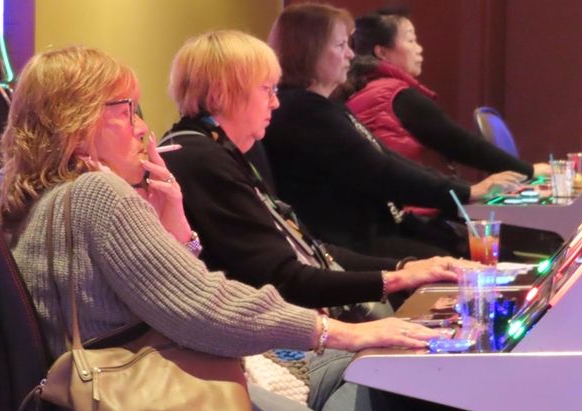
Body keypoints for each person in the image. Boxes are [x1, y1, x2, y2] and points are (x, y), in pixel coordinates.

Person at [0, 45, 447, 411]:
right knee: (365, 362)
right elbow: (205, 310)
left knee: (363, 370)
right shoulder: (97, 194)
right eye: (127, 109)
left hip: (133, 378)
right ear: (77, 124)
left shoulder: (44, 200)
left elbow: (163, 295)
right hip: (149, 392)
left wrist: (173, 217)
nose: (141, 127)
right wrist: (339, 332)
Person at [161, 30, 467, 319]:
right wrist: (395, 279)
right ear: (220, 95)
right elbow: (284, 279)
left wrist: (406, 267)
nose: (276, 102)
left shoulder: (217, 148)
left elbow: (309, 250)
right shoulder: (201, 160)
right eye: (266, 89)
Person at [263, 2, 524, 260]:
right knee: (482, 265)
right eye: (341, 45)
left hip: (380, 228)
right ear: (309, 51)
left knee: (494, 254)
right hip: (352, 244)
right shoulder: (304, 111)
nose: (351, 55)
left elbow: (385, 157)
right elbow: (380, 170)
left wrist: (463, 189)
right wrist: (465, 191)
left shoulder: (323, 104)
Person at [341, 8, 550, 178]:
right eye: (410, 40)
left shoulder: (363, 87)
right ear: (382, 52)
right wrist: (529, 171)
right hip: (399, 214)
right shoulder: (394, 95)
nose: (419, 49)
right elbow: (460, 143)